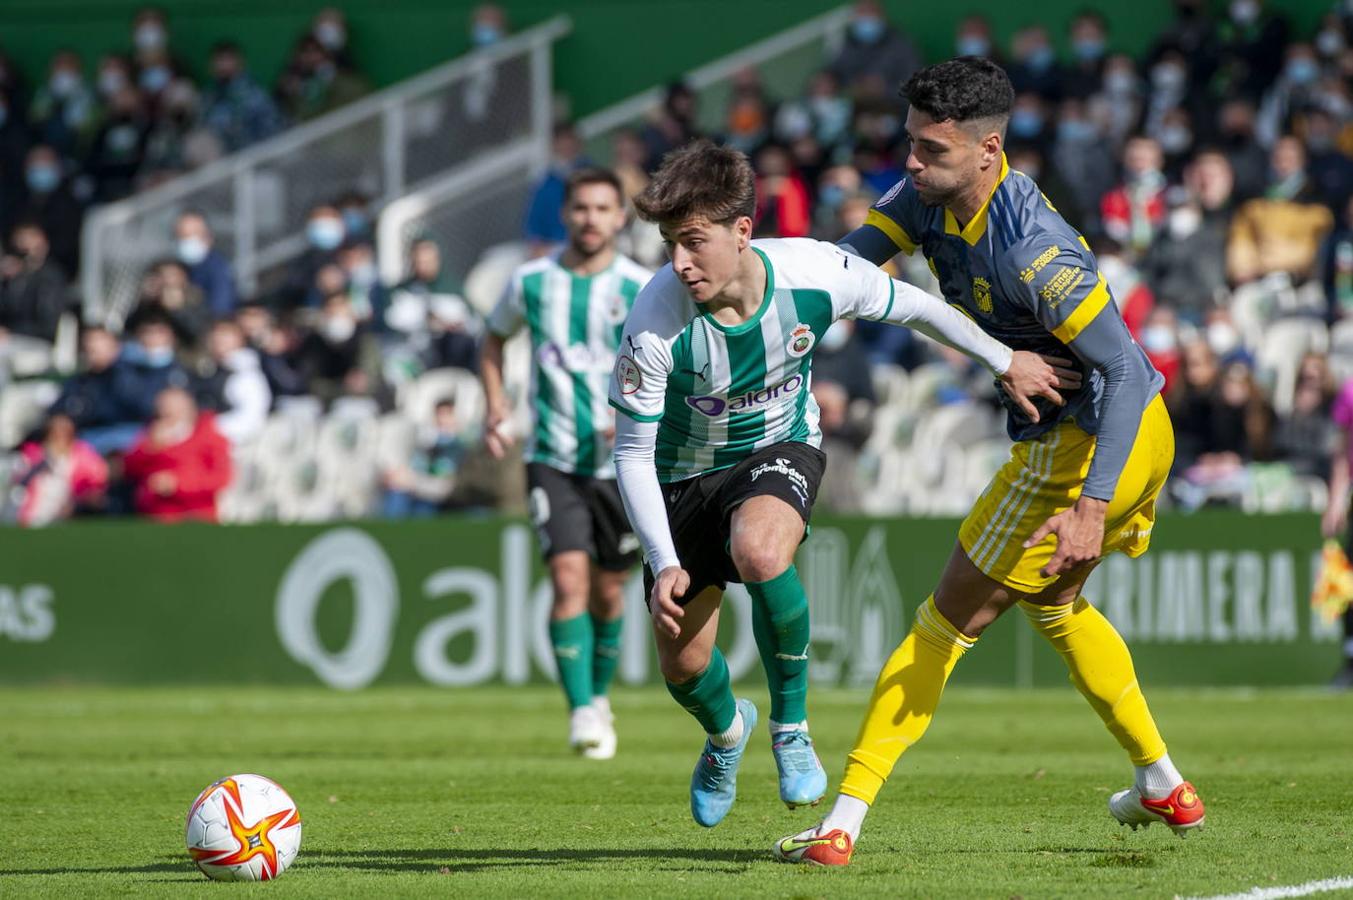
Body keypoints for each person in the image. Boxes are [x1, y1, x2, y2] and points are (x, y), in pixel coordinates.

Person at [776, 57, 1206, 867]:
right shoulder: (924, 196)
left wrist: (1089, 506)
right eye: (909, 142)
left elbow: (1116, 367)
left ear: (987, 149)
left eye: (929, 150)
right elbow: (844, 268)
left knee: (942, 623)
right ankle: (1161, 780)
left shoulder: (1033, 250)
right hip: (1123, 434)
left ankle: (841, 822)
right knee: (1057, 608)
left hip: (1091, 443)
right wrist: (765, 294)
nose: (909, 162)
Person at [609, 139, 1064, 829]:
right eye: (670, 244)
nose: (679, 262)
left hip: (777, 446)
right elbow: (632, 452)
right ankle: (728, 733)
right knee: (682, 667)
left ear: (741, 231)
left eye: (693, 242)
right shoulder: (653, 322)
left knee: (761, 551)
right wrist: (662, 561)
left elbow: (915, 306)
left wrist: (1004, 360)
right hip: (679, 475)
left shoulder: (813, 272)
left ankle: (790, 729)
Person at [480, 167, 651, 760]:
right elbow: (493, 338)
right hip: (551, 457)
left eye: (603, 208)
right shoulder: (530, 282)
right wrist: (496, 404)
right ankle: (580, 709)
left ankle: (598, 696)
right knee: (568, 580)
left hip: (624, 465)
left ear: (619, 217)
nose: (590, 219)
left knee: (609, 593)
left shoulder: (639, 287)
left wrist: (635, 410)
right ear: (566, 214)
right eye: (581, 207)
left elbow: (675, 359)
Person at [122, 386, 232, 522]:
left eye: (173, 408)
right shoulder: (149, 435)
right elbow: (129, 468)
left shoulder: (209, 436)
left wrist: (178, 484)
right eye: (163, 409)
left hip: (197, 514)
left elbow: (221, 477)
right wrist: (150, 448)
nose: (167, 413)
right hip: (157, 514)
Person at [1321, 373, 1353, 687]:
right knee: (1347, 583)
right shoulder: (1350, 391)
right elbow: (1343, 453)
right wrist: (1336, 501)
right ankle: (1350, 658)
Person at [174, 210, 238, 317]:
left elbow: (221, 310)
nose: (188, 240)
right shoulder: (173, 266)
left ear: (208, 237)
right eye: (183, 235)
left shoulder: (217, 269)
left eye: (194, 235)